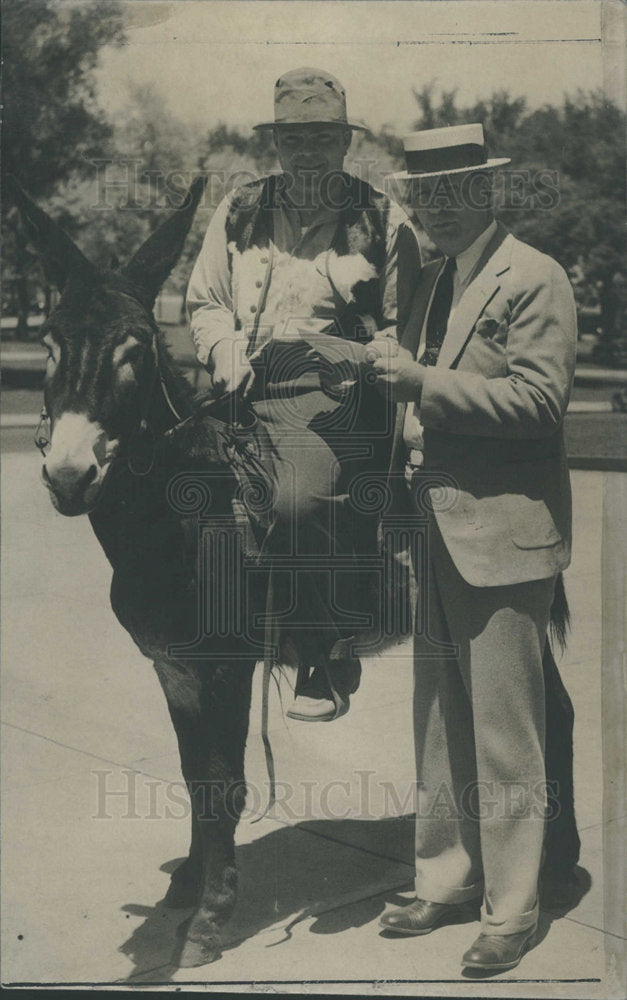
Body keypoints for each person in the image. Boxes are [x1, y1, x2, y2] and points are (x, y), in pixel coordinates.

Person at [373, 124, 577, 971]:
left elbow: (539, 402)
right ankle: (447, 879)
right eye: (425, 198)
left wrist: (421, 383)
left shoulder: (534, 275)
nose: (439, 211)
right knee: (435, 718)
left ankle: (512, 907)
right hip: (433, 524)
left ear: (490, 192)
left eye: (456, 194)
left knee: (504, 733)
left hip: (501, 532)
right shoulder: (427, 281)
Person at [187, 67, 420, 721]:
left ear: (344, 143)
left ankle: (321, 649)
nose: (308, 152)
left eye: (322, 138)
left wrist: (371, 358)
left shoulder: (380, 216)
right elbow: (205, 300)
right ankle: (187, 637)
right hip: (241, 383)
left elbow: (409, 322)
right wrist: (223, 347)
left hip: (334, 393)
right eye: (295, 140)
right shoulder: (239, 210)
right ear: (276, 146)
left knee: (292, 500)